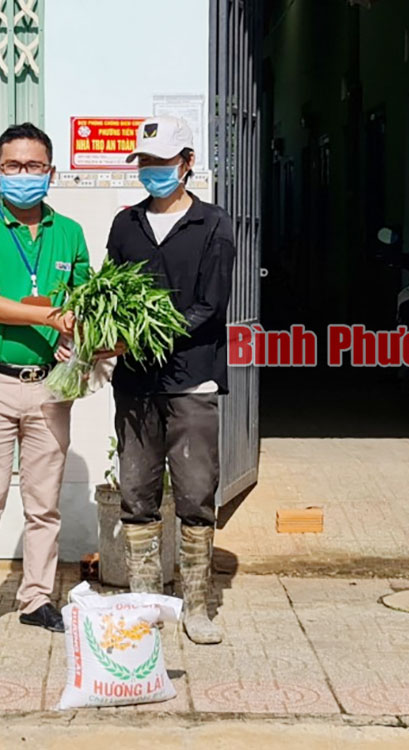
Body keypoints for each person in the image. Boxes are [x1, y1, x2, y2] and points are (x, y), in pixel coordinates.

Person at [0, 123, 90, 642]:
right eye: (13, 166)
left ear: (51, 173)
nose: (23, 175)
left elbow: (84, 297)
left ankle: (36, 597)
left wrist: (79, 327)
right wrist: (53, 316)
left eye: (34, 167)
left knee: (43, 501)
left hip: (50, 383)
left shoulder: (69, 233)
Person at [109, 116, 237, 645]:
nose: (153, 172)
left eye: (163, 163)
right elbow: (112, 292)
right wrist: (107, 334)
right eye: (145, 164)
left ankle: (197, 605)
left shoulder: (213, 225)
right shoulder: (126, 225)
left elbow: (210, 305)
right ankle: (144, 602)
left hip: (192, 379)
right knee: (137, 491)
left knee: (194, 491)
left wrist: (152, 334)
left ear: (187, 163)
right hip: (136, 382)